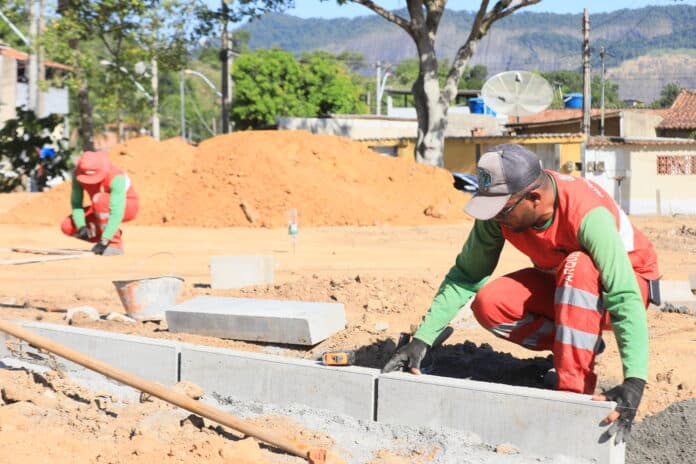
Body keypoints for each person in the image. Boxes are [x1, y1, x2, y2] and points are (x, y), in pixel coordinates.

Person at [383, 144, 659, 444]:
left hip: (625, 284)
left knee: (577, 265)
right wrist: (422, 340)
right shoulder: (503, 213)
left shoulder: (587, 215)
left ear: (535, 198)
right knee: (491, 303)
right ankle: (578, 347)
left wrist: (634, 381)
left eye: (502, 211)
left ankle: (571, 397)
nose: (496, 219)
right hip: (565, 284)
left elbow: (624, 295)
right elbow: (466, 274)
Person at [60, 150, 139, 256]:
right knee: (67, 226)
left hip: (127, 206)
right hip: (99, 206)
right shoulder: (78, 175)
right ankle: (111, 233)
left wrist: (105, 240)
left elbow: (117, 212)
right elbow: (76, 204)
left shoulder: (116, 176)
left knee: (99, 199)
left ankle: (114, 244)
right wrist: (81, 226)